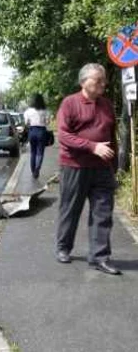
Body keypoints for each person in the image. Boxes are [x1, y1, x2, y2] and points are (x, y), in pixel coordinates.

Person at [56, 63, 120, 275]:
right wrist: (92, 147)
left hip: (102, 168)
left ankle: (100, 257)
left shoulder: (107, 105)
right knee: (70, 209)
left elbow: (112, 136)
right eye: (98, 80)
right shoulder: (70, 103)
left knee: (103, 213)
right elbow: (64, 135)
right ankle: (64, 247)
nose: (103, 83)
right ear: (83, 82)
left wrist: (115, 167)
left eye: (103, 80)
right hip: (75, 166)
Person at [24, 93, 49, 179]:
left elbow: (26, 123)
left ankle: (33, 170)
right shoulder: (45, 110)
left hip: (32, 131)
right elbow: (47, 122)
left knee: (33, 152)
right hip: (41, 131)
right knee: (40, 152)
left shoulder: (28, 111)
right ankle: (37, 169)